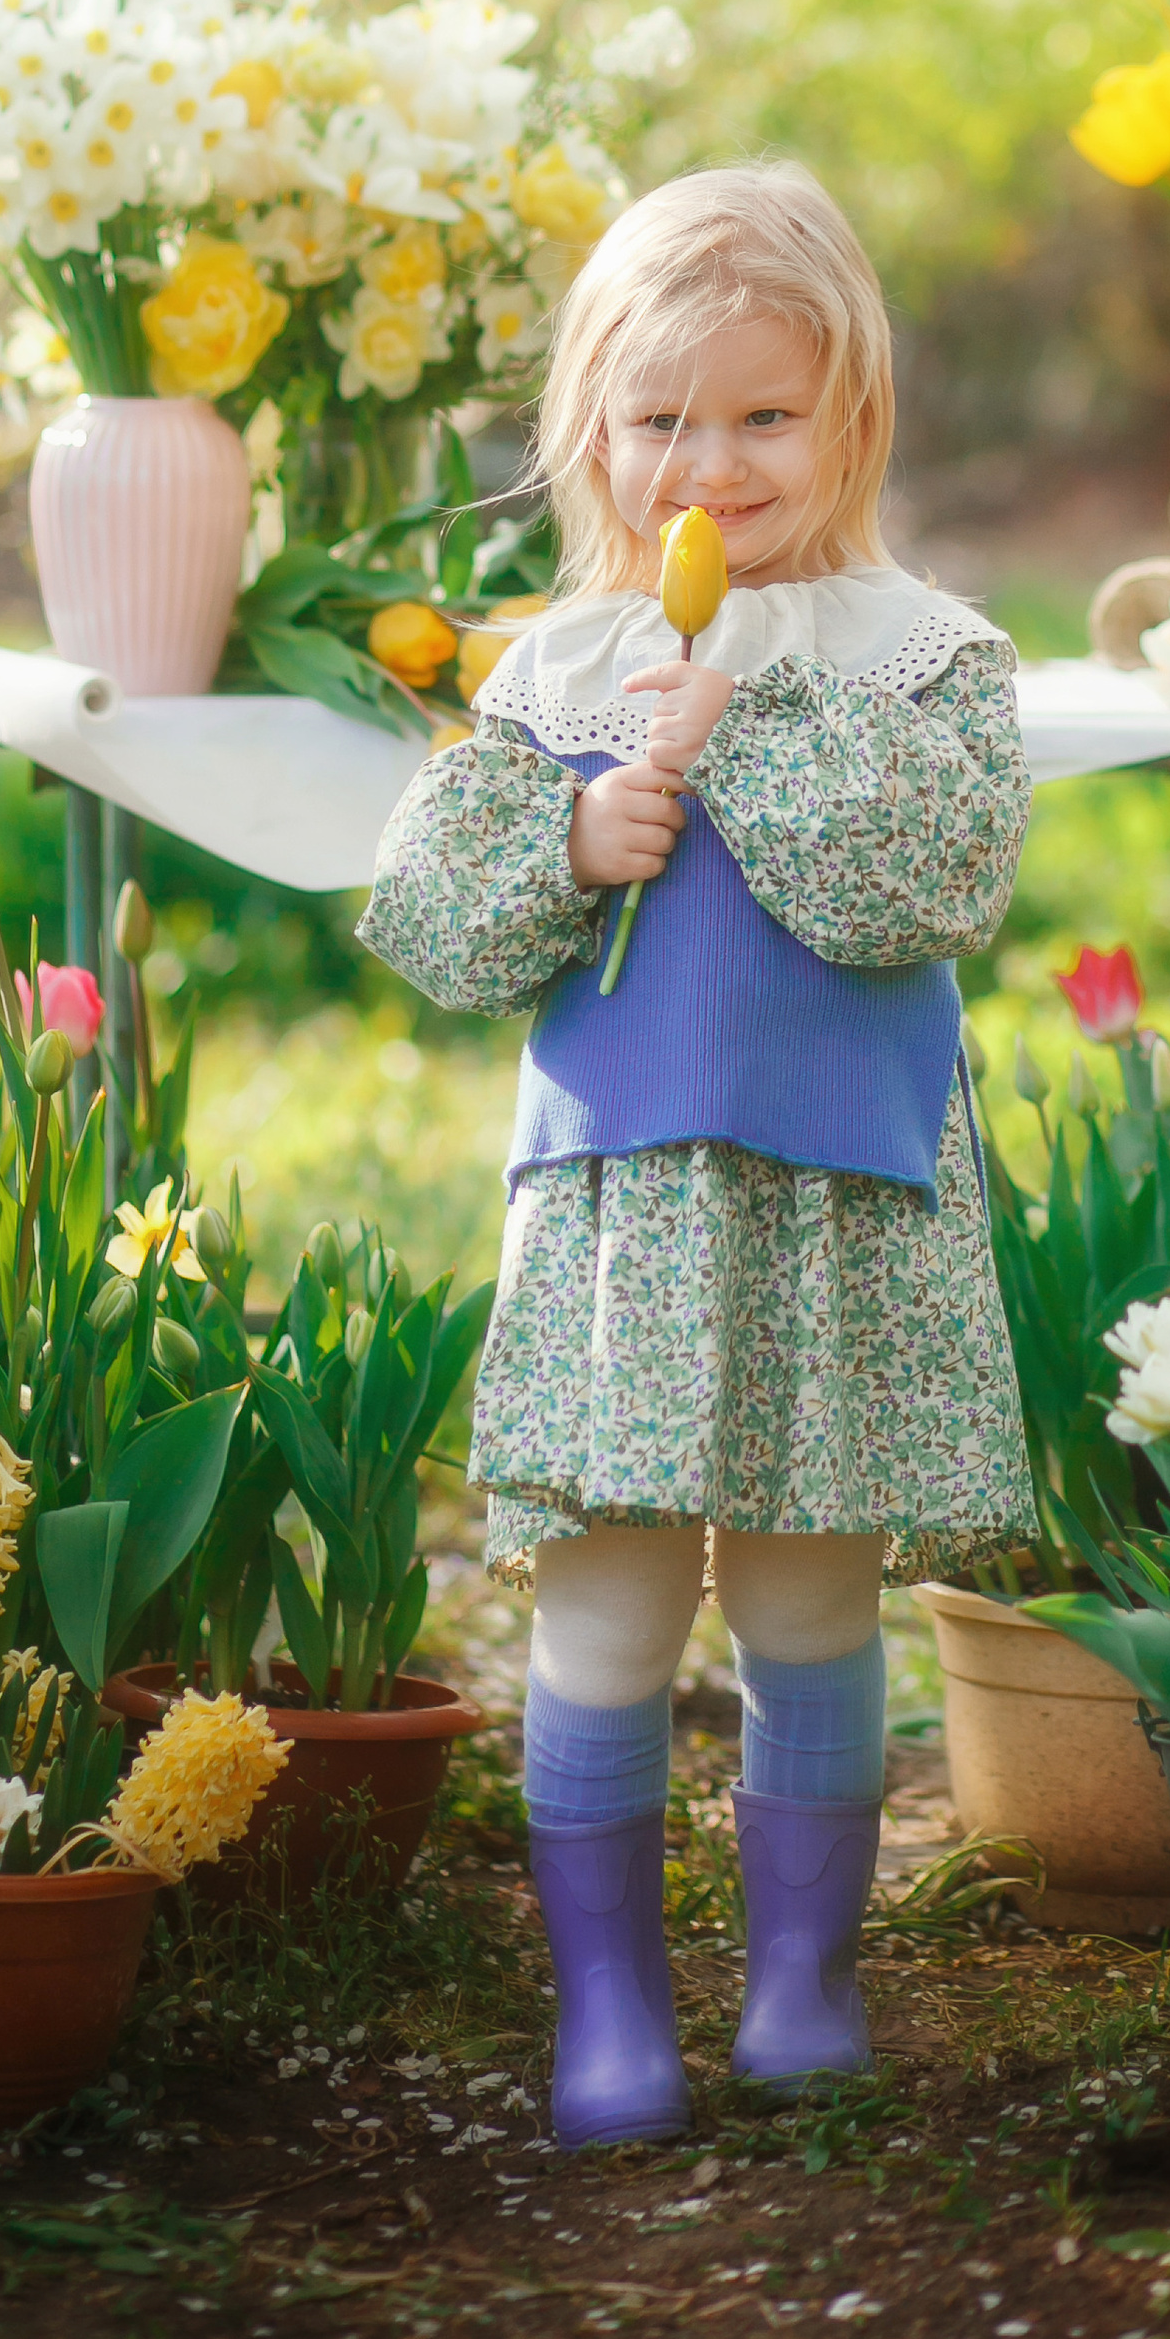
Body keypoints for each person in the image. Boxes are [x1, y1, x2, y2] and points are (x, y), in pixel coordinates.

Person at [358, 160, 1033, 2148]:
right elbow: (436, 925)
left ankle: (804, 1987)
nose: (710, 465)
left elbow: (928, 882)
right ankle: (609, 2014)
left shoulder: (919, 652)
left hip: (840, 1203)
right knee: (608, 1610)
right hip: (625, 1208)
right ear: (591, 430)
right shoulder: (557, 667)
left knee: (813, 1605)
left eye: (762, 415)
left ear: (852, 417)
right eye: (660, 418)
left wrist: (740, 725)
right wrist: (572, 841)